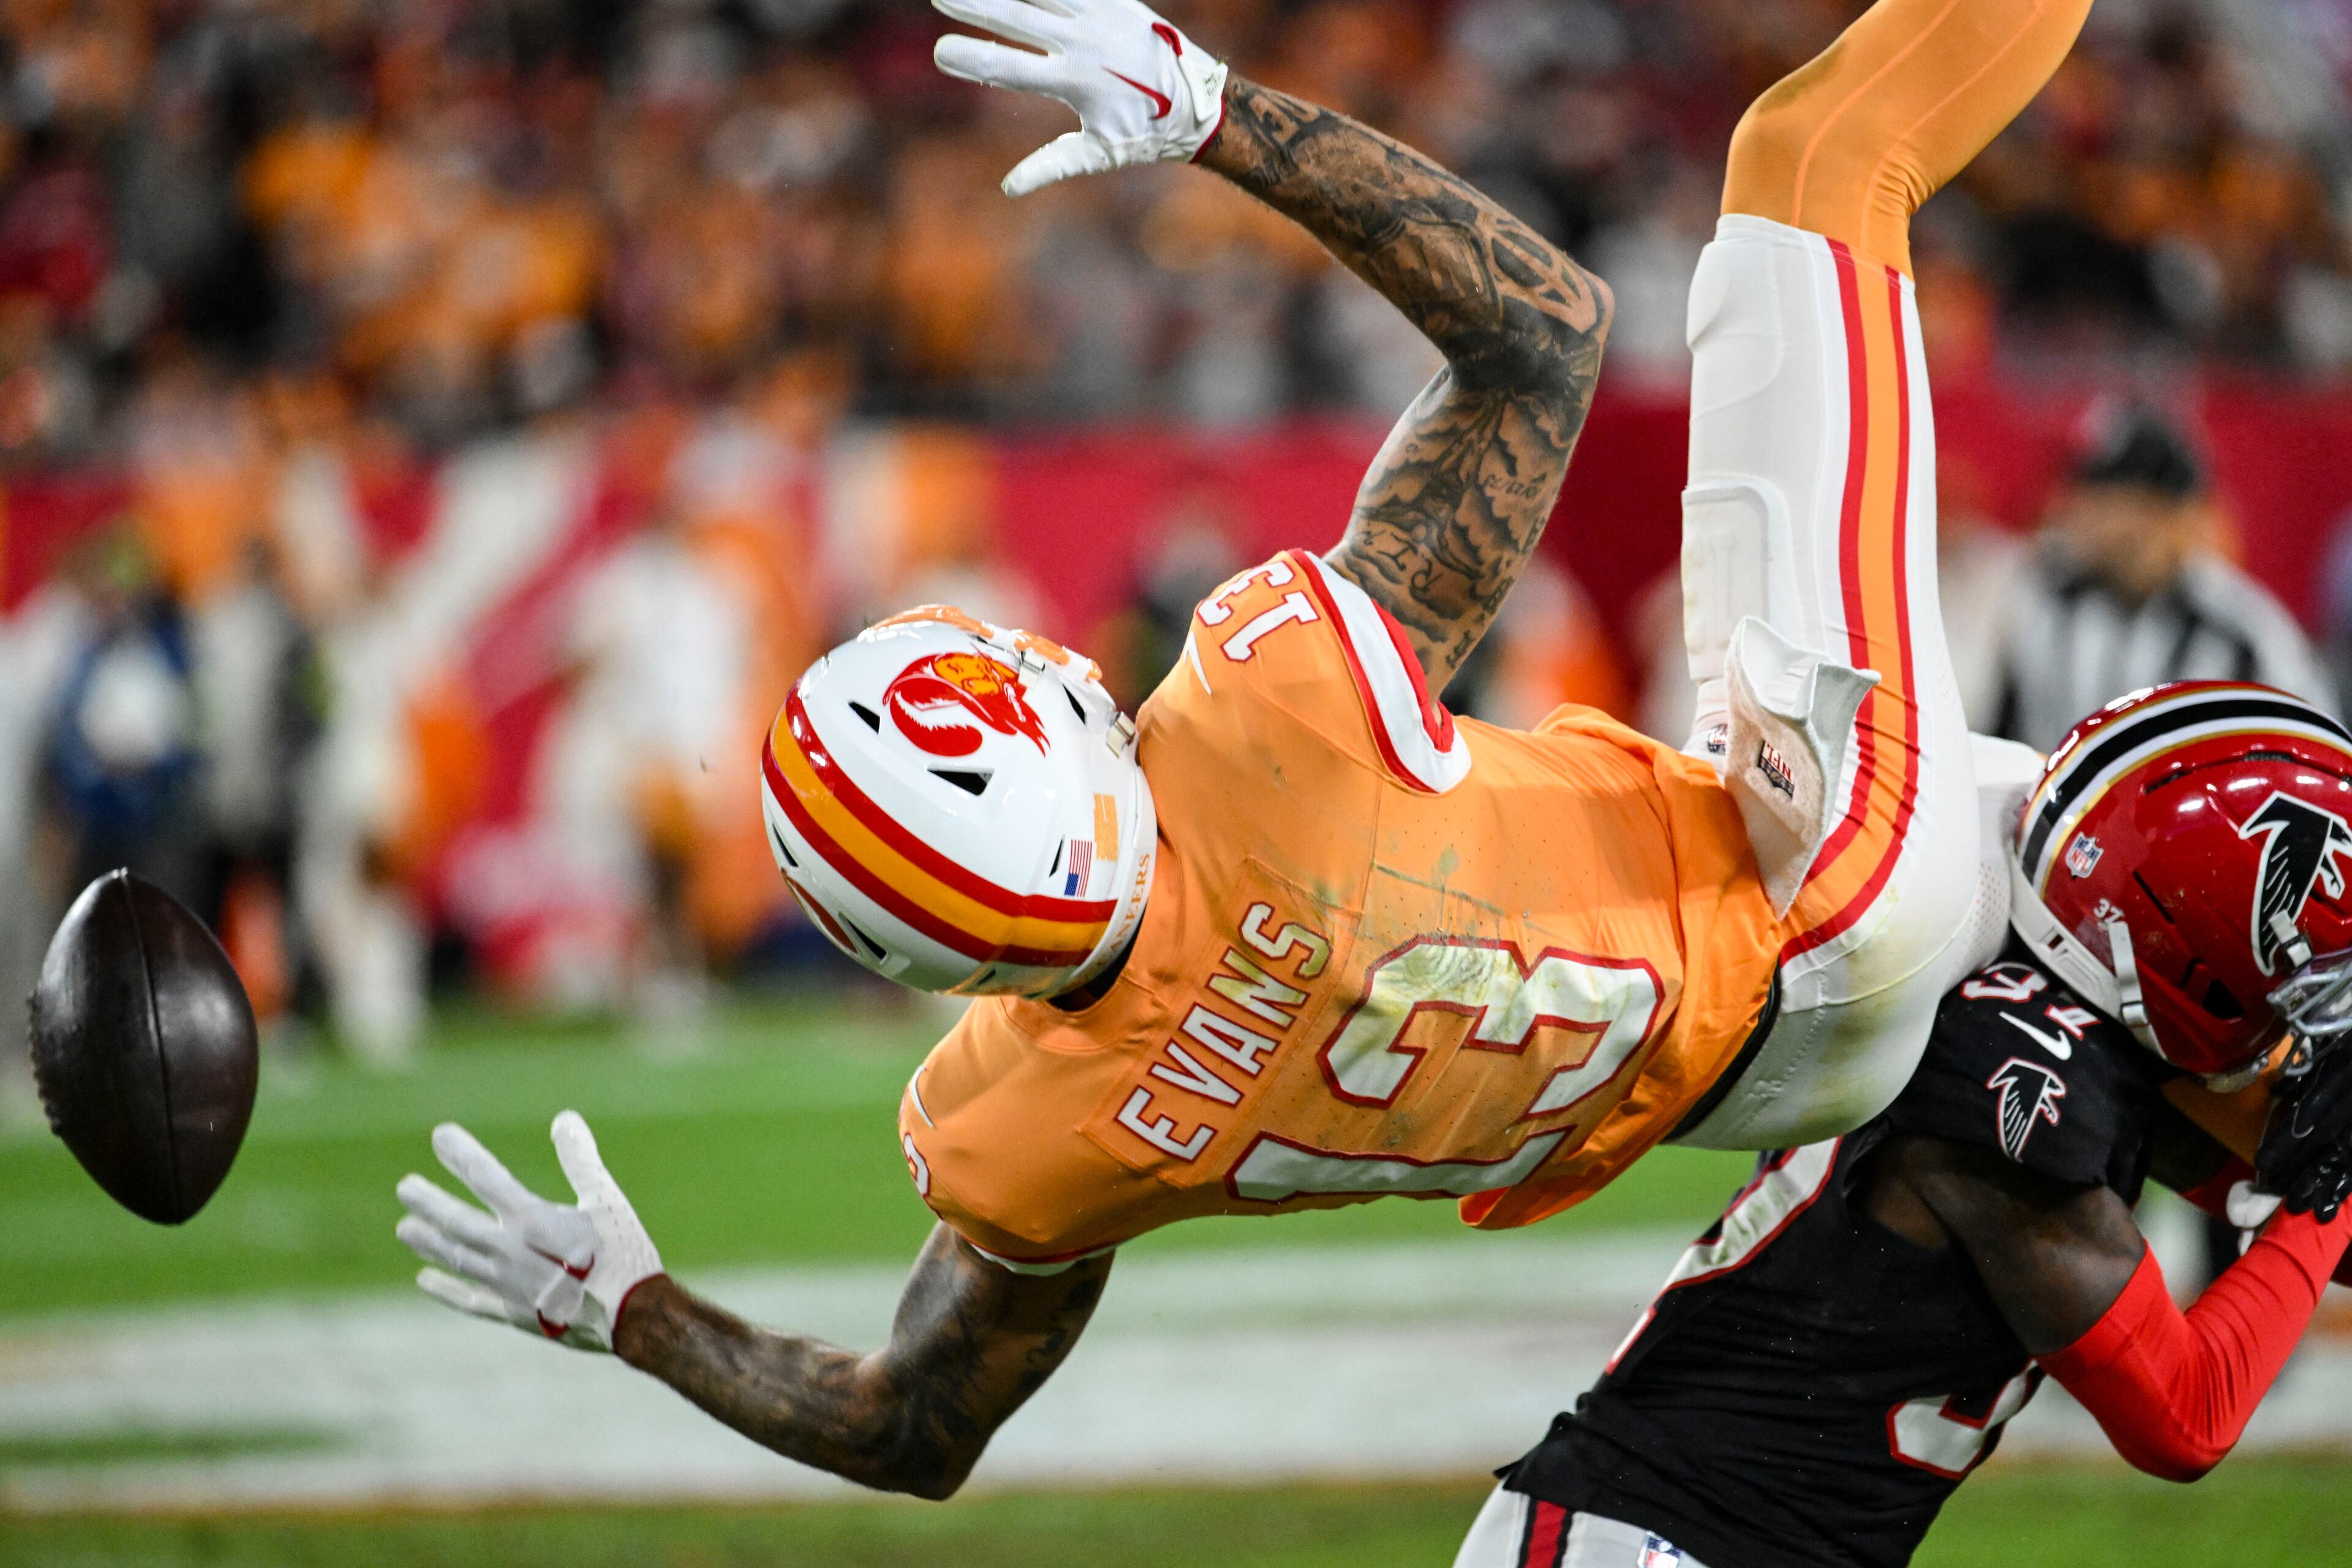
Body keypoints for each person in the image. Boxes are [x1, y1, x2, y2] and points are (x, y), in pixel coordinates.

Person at [393, 0, 2089, 1499]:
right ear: (1046, 747)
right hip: (1823, 878)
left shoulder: (1029, 1140)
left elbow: (915, 1430)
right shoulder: (1269, 724)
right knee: (1811, 155)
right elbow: (1546, 334)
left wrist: (636, 1312)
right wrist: (1210, 109)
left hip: (1769, 1092)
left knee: (2194, 909)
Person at [1458, 681, 2352, 1568]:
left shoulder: (2082, 1029)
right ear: (2197, 937)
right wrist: (2328, 1189)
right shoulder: (2009, 1081)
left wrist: (2322, 1176)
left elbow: (2318, 1235)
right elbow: (2185, 1418)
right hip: (1647, 1537)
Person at [1989, 404, 2333, 753]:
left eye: (2104, 493)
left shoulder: (2241, 634)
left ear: (2162, 511)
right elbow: (2007, 740)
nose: (2075, 506)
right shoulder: (2045, 604)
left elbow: (2314, 761)